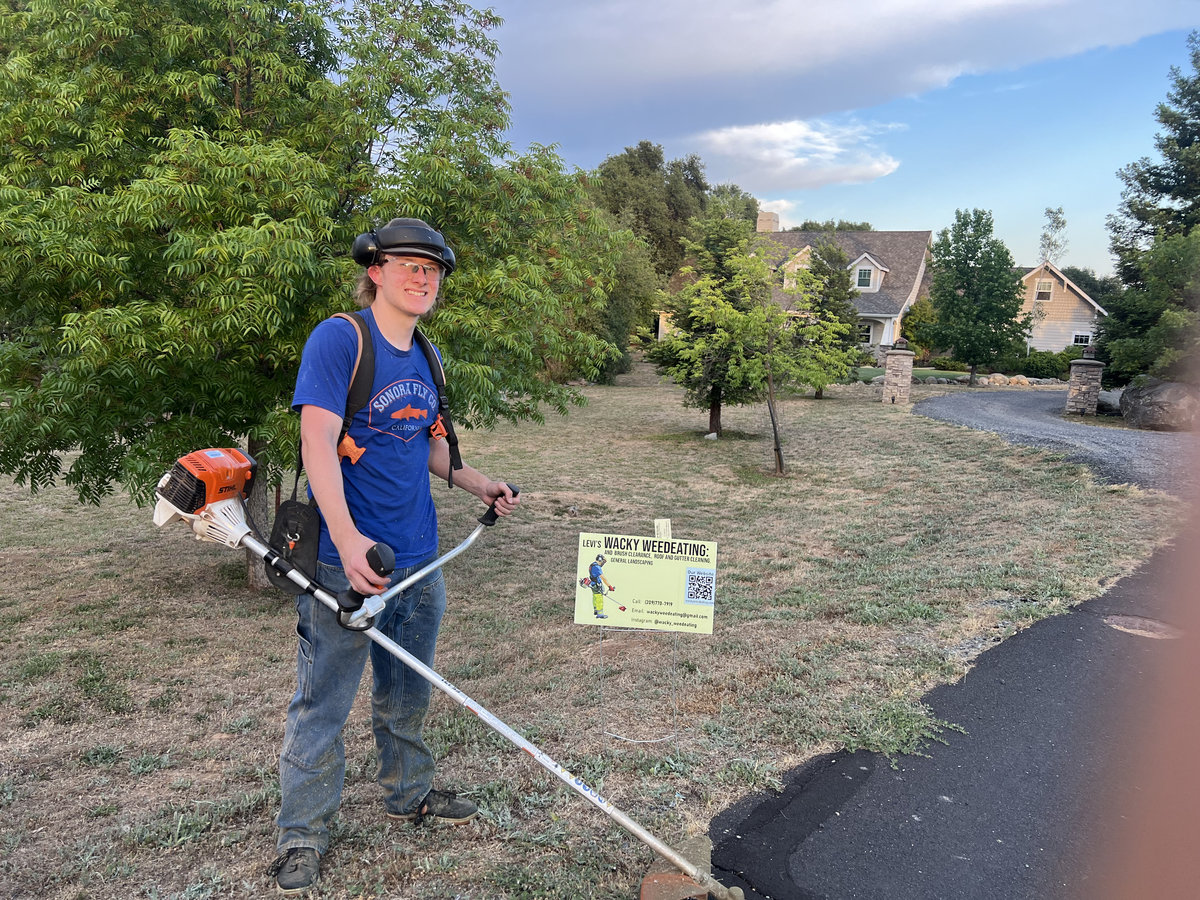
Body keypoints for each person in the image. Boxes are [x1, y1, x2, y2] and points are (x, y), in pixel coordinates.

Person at [269, 218, 519, 895]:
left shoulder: (427, 359)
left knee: (408, 689)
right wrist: (347, 541)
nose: (422, 276)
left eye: (432, 269)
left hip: (420, 558)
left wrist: (479, 483)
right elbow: (317, 441)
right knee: (322, 702)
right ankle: (301, 834)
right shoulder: (341, 339)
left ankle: (411, 794)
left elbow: (429, 446)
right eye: (407, 264)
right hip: (343, 564)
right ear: (374, 270)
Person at [588, 553, 615, 618]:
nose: (603, 563)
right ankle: (600, 614)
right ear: (600, 560)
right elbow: (603, 578)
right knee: (599, 599)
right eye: (603, 562)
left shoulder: (592, 564)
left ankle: (596, 610)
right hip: (597, 585)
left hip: (593, 584)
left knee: (595, 597)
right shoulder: (597, 567)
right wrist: (609, 586)